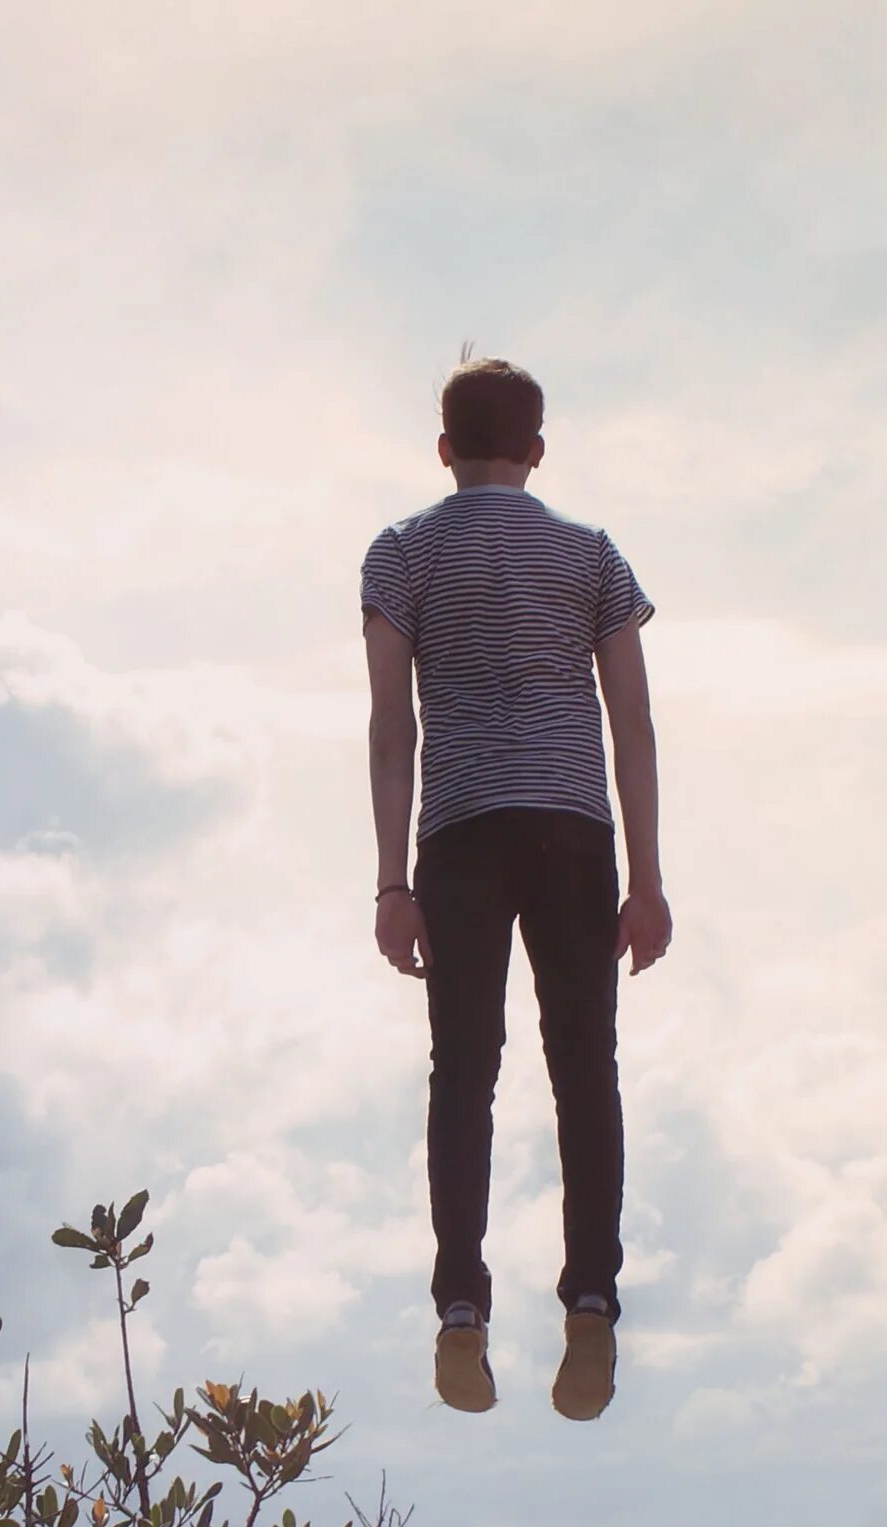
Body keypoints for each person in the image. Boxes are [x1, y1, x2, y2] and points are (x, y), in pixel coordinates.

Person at [362, 357, 672, 1421]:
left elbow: (391, 723)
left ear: (442, 447)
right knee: (586, 1067)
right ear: (538, 449)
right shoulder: (591, 556)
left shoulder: (401, 553)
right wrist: (651, 881)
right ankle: (591, 1297)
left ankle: (461, 1304)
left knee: (465, 1071)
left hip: (459, 834)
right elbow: (632, 725)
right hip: (574, 830)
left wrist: (390, 884)